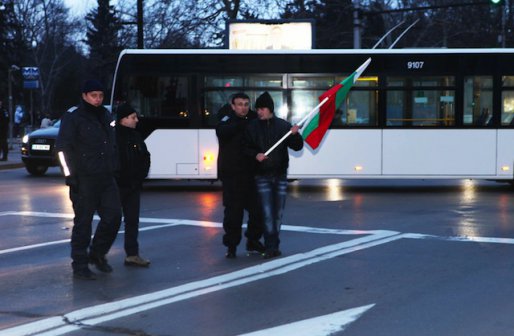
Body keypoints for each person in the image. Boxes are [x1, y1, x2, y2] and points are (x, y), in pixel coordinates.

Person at [56, 79, 122, 280]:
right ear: (84, 96)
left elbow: (112, 142)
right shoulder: (74, 116)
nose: (98, 99)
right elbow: (62, 149)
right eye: (93, 95)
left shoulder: (105, 114)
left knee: (114, 217)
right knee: (83, 224)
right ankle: (80, 265)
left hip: (106, 177)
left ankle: (97, 254)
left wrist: (115, 166)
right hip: (84, 179)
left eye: (100, 95)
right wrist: (70, 176)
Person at [244, 91, 303, 259]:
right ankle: (271, 246)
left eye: (262, 109)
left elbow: (297, 147)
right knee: (268, 212)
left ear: (270, 109)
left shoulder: (283, 126)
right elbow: (245, 148)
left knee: (278, 213)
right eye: (258, 109)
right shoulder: (252, 126)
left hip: (280, 175)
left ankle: (273, 245)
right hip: (261, 175)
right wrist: (256, 155)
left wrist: (295, 134)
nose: (259, 112)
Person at [216, 93, 265, 259]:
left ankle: (253, 240)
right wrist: (245, 124)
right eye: (240, 104)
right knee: (233, 213)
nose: (243, 107)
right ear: (233, 106)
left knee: (258, 210)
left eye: (246, 104)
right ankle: (231, 245)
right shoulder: (226, 119)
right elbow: (222, 132)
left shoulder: (254, 118)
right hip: (232, 174)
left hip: (253, 173)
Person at [115, 103, 151, 267]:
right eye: (133, 117)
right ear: (123, 119)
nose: (137, 120)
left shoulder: (135, 136)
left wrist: (140, 177)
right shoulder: (113, 137)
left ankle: (132, 254)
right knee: (111, 221)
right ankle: (97, 253)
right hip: (116, 186)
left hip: (133, 185)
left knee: (132, 221)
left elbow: (145, 157)